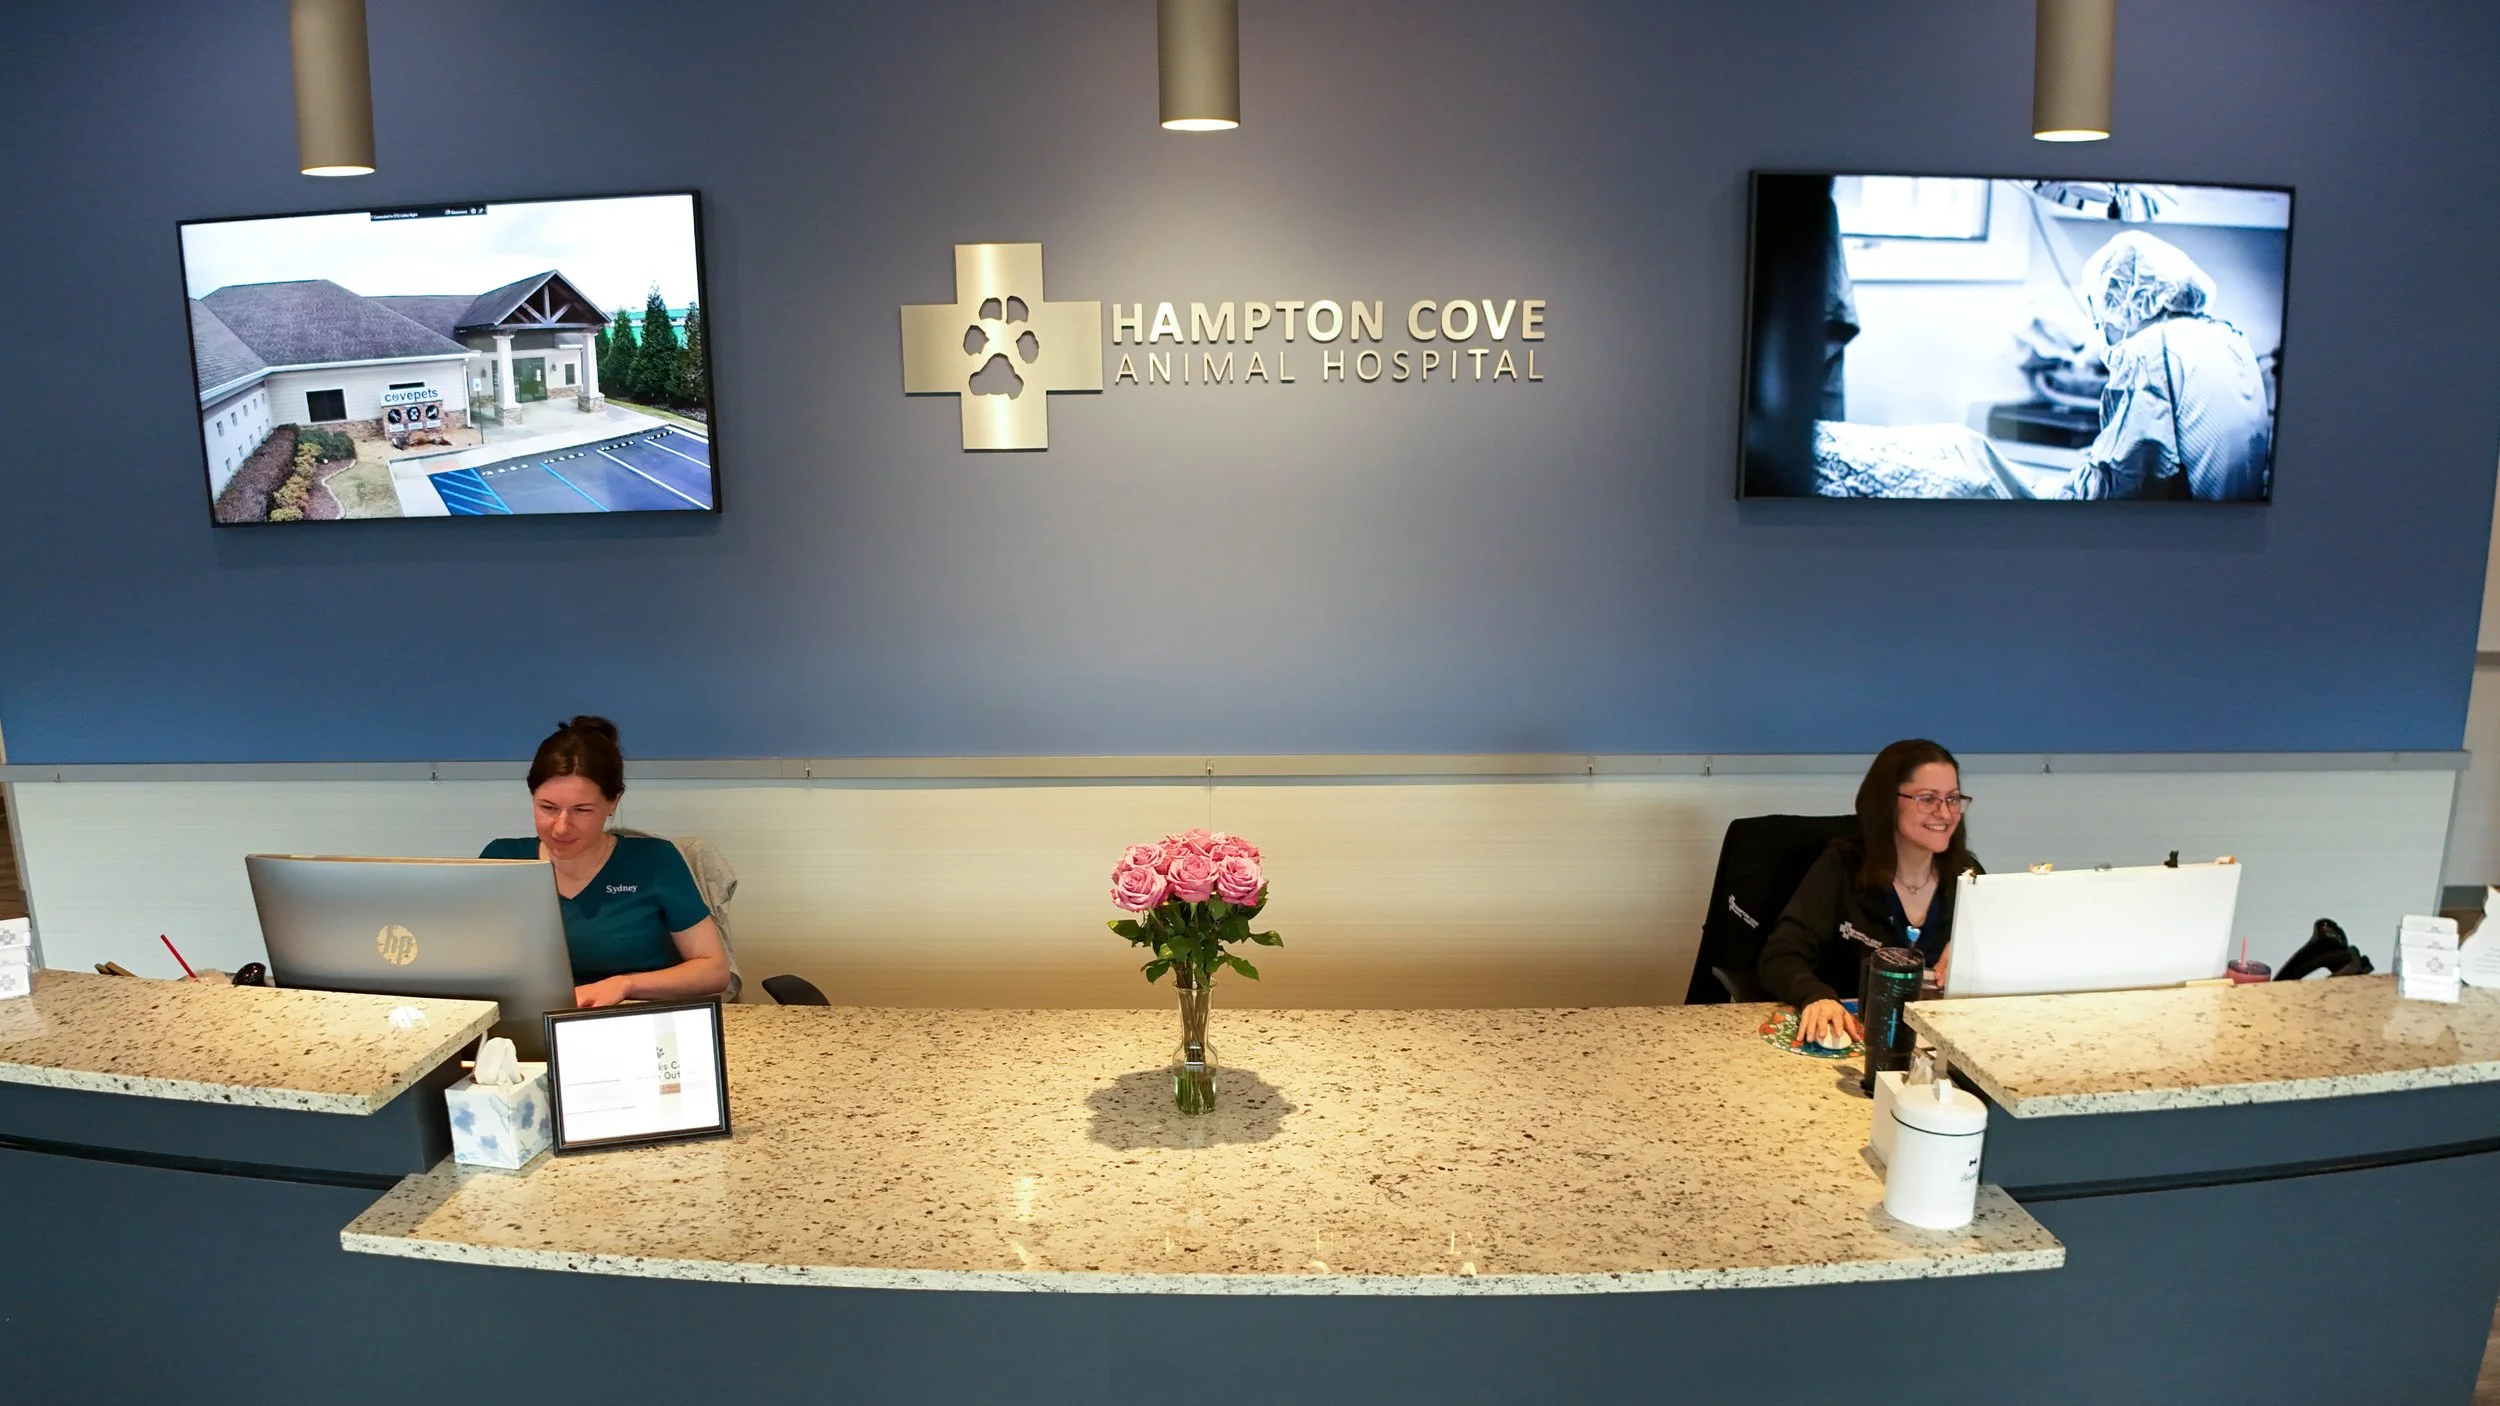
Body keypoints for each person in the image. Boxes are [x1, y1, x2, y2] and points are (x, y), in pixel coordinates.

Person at [481, 716, 731, 1008]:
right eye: (547, 808)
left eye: (582, 810)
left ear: (613, 802)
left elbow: (714, 971)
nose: (561, 827)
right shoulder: (501, 861)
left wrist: (624, 984)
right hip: (526, 1021)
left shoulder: (654, 861)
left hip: (630, 1017)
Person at [1756, 739, 1982, 1047]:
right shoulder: (1843, 866)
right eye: (1927, 799)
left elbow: (2012, 956)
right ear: (1887, 802)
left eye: (1953, 799)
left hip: (1940, 1048)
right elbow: (1780, 957)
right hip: (1853, 1041)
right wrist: (1816, 996)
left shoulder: (1967, 875)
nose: (1945, 813)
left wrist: (1974, 952)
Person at [2061, 231, 2272, 502]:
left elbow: (2122, 485)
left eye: (2101, 322)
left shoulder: (2148, 351)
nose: (2103, 336)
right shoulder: (2227, 336)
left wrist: (2048, 492)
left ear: (2119, 306)